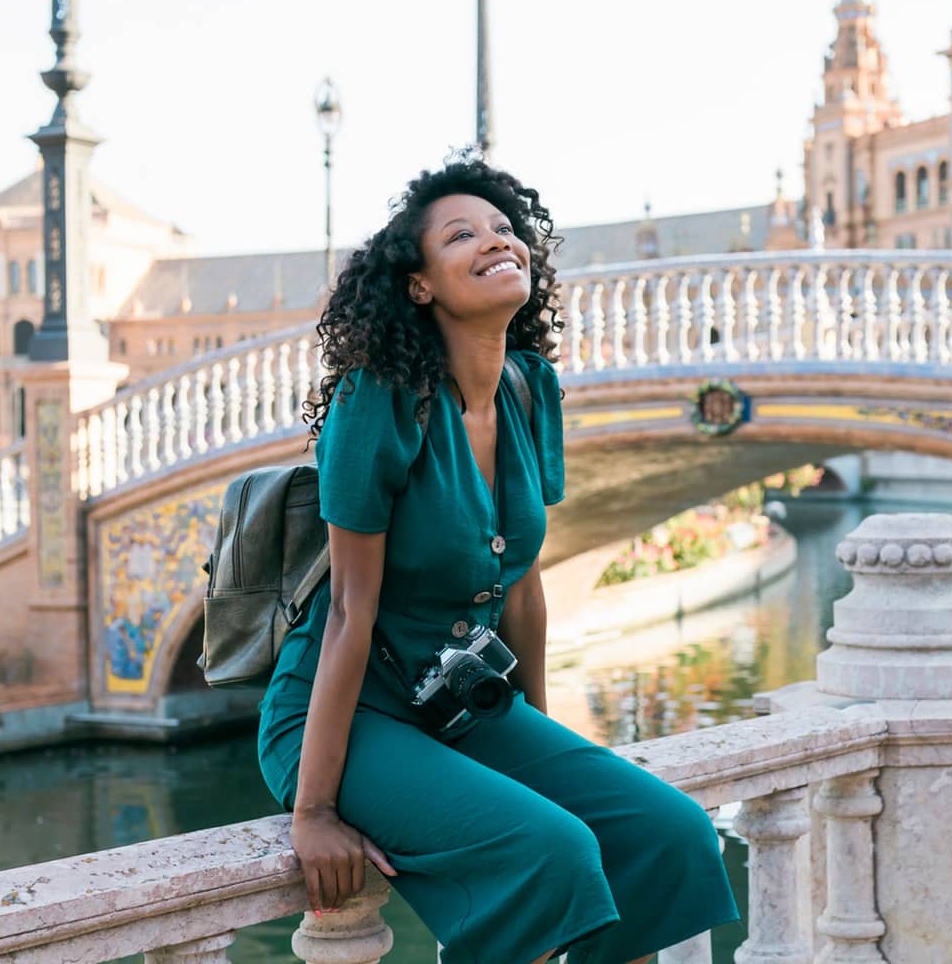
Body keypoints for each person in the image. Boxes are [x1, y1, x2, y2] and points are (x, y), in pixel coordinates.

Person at [258, 160, 739, 963]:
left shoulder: (528, 390)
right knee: (552, 851)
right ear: (419, 286)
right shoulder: (377, 398)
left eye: (504, 228)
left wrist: (538, 740)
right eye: (461, 235)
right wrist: (313, 812)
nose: (494, 239)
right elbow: (348, 611)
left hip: (462, 706)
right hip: (349, 716)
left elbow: (523, 585)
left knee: (672, 835)